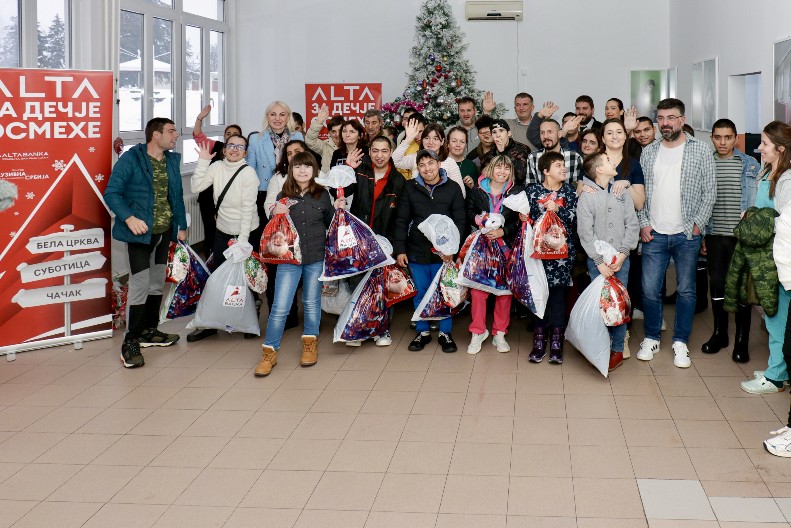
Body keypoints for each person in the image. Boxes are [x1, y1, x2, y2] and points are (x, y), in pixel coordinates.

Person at [636, 98, 716, 369]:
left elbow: (710, 192)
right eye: (661, 118)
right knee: (649, 289)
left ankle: (681, 341)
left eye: (671, 117)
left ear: (682, 119)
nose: (665, 123)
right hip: (654, 233)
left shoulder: (700, 150)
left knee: (686, 290)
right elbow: (641, 193)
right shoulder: (649, 151)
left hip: (687, 234)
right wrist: (643, 222)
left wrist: (698, 224)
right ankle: (650, 337)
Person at [104, 118, 188, 368]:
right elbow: (111, 193)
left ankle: (149, 331)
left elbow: (177, 196)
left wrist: (181, 225)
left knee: (156, 282)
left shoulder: (172, 161)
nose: (176, 136)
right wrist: (129, 218)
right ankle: (130, 342)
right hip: (140, 235)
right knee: (140, 284)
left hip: (164, 232)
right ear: (155, 134)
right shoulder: (132, 159)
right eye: (171, 131)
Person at [255, 152, 340, 377]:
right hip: (289, 259)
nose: (302, 171)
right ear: (291, 170)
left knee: (311, 303)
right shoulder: (284, 194)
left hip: (316, 256)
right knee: (280, 307)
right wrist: (275, 212)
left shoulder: (322, 194)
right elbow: (275, 226)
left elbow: (331, 222)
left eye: (307, 167)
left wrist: (339, 207)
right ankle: (269, 352)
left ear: (314, 170)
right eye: (298, 167)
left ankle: (310, 345)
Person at [187, 134, 261, 342]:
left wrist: (243, 241)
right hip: (222, 231)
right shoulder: (216, 167)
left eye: (240, 147)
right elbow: (196, 187)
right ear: (224, 149)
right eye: (231, 145)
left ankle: (248, 319)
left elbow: (248, 209)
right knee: (216, 279)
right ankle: (210, 322)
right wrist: (203, 161)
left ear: (245, 152)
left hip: (247, 232)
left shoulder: (249, 173)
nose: (235, 149)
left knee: (246, 277)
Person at [393, 149, 467, 353]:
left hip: (444, 253)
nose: (427, 168)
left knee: (445, 292)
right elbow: (401, 220)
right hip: (416, 250)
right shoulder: (410, 187)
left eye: (431, 163)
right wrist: (400, 249)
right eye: (422, 165)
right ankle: (423, 330)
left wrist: (453, 250)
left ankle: (445, 332)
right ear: (418, 168)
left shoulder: (452, 188)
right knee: (421, 292)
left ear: (439, 164)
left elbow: (461, 221)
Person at [701, 119, 761, 362]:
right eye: (718, 137)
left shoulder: (750, 164)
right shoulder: (706, 163)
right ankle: (720, 334)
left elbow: (757, 202)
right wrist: (703, 232)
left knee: (741, 290)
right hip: (715, 235)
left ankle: (741, 341)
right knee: (717, 284)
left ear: (736, 138)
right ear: (712, 138)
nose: (723, 142)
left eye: (728, 137)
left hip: (741, 237)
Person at [340, 136, 408, 346]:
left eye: (384, 151)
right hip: (357, 238)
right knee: (357, 283)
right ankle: (358, 329)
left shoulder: (399, 180)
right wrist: (347, 169)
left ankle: (382, 330)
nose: (379, 155)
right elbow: (339, 191)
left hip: (385, 240)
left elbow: (401, 219)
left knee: (382, 286)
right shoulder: (360, 172)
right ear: (370, 152)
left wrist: (398, 248)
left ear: (390, 153)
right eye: (375, 151)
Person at [741, 121, 791, 393]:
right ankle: (778, 367)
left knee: (776, 317)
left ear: (780, 150)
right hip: (765, 257)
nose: (759, 148)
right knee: (775, 315)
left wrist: (754, 220)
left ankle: (775, 376)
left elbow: (784, 224)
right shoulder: (768, 172)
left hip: (778, 260)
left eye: (765, 144)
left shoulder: (787, 180)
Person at [578, 151, 640, 371]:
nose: (612, 161)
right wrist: (599, 261)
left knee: (620, 306)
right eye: (606, 160)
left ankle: (617, 349)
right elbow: (585, 232)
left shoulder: (621, 192)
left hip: (621, 260)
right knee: (601, 306)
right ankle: (599, 345)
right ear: (599, 170)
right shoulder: (587, 196)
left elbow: (632, 224)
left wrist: (623, 254)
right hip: (599, 264)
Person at [465, 155, 522, 354]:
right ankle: (478, 331)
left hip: (505, 246)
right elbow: (468, 211)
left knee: (504, 292)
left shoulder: (516, 192)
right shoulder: (477, 189)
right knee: (478, 291)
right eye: (499, 167)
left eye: (507, 168)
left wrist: (503, 231)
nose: (503, 171)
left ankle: (500, 333)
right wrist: (480, 221)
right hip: (482, 246)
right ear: (491, 168)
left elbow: (520, 220)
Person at [525, 151, 578, 364]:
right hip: (537, 255)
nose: (563, 168)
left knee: (557, 298)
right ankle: (539, 341)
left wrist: (559, 209)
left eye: (563, 165)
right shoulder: (533, 192)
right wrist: (524, 216)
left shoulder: (571, 192)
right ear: (545, 171)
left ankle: (557, 342)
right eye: (558, 165)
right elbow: (527, 219)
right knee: (539, 296)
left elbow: (575, 221)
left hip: (562, 256)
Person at [246, 100, 303, 238]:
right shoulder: (256, 139)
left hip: (291, 191)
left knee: (289, 234)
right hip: (264, 192)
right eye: (273, 114)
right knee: (266, 235)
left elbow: (302, 164)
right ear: (267, 116)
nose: (277, 118)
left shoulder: (297, 136)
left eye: (282, 114)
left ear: (288, 117)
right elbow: (249, 171)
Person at [192, 104, 242, 258]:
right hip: (208, 198)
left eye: (235, 134)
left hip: (231, 201)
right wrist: (200, 118)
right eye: (228, 133)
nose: (231, 136)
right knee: (210, 232)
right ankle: (210, 266)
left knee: (229, 235)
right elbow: (198, 135)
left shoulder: (244, 152)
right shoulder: (216, 146)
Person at [393, 120, 466, 196]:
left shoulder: (449, 162)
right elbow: (394, 162)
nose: (431, 142)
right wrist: (408, 139)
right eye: (427, 138)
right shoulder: (415, 158)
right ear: (422, 140)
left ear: (442, 141)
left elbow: (461, 193)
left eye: (436, 139)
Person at [526, 118, 583, 188]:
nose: (545, 136)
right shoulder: (533, 157)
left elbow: (578, 187)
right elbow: (530, 187)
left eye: (550, 132)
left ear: (559, 134)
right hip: (540, 198)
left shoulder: (574, 157)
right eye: (542, 133)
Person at [480, 119, 531, 186]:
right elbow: (484, 176)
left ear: (509, 133)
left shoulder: (521, 149)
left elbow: (520, 177)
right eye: (494, 132)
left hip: (516, 191)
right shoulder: (489, 154)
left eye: (501, 131)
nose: (498, 135)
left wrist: (503, 152)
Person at [306, 103, 344, 173]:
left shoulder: (352, 146)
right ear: (329, 133)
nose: (337, 134)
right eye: (333, 131)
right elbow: (310, 141)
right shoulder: (325, 146)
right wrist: (319, 121)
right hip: (327, 183)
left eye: (340, 130)